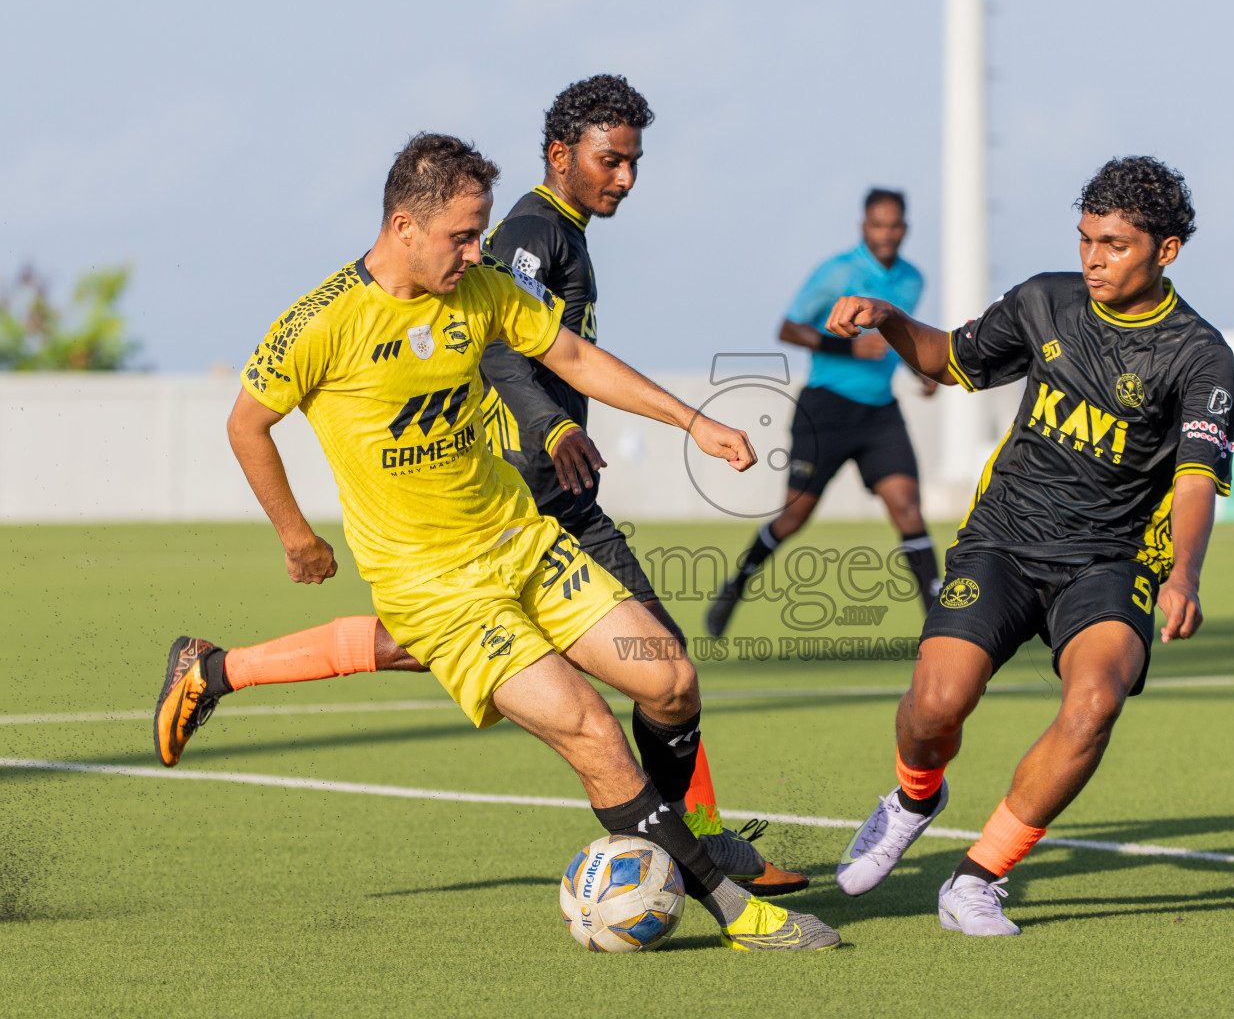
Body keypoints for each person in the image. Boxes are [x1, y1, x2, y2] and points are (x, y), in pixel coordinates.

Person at [157, 133, 839, 950]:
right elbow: (246, 424)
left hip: (522, 542)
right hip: (437, 590)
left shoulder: (478, 290)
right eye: (462, 236)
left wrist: (694, 422)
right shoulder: (323, 320)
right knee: (591, 728)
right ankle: (729, 903)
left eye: (480, 233)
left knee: (671, 681)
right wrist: (297, 537)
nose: (478, 252)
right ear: (404, 225)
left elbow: (575, 356)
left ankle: (672, 844)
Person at [827, 157, 1234, 936]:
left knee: (1093, 705)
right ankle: (915, 797)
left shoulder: (1199, 355)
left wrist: (1184, 572)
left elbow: (1193, 480)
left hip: (1111, 561)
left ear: (1167, 251)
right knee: (933, 708)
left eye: (1114, 245)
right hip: (1003, 542)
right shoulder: (1046, 301)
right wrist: (887, 318)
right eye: (1086, 239)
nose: (1093, 259)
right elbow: (946, 359)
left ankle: (977, 877)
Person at [705, 189, 940, 637]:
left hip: (880, 414)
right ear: (863, 227)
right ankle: (736, 586)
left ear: (905, 229)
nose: (886, 234)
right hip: (826, 408)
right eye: (878, 225)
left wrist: (921, 372)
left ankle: (941, 626)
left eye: (894, 226)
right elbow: (788, 328)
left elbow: (897, 337)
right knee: (794, 516)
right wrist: (846, 346)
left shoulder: (913, 280)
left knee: (908, 509)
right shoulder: (837, 272)